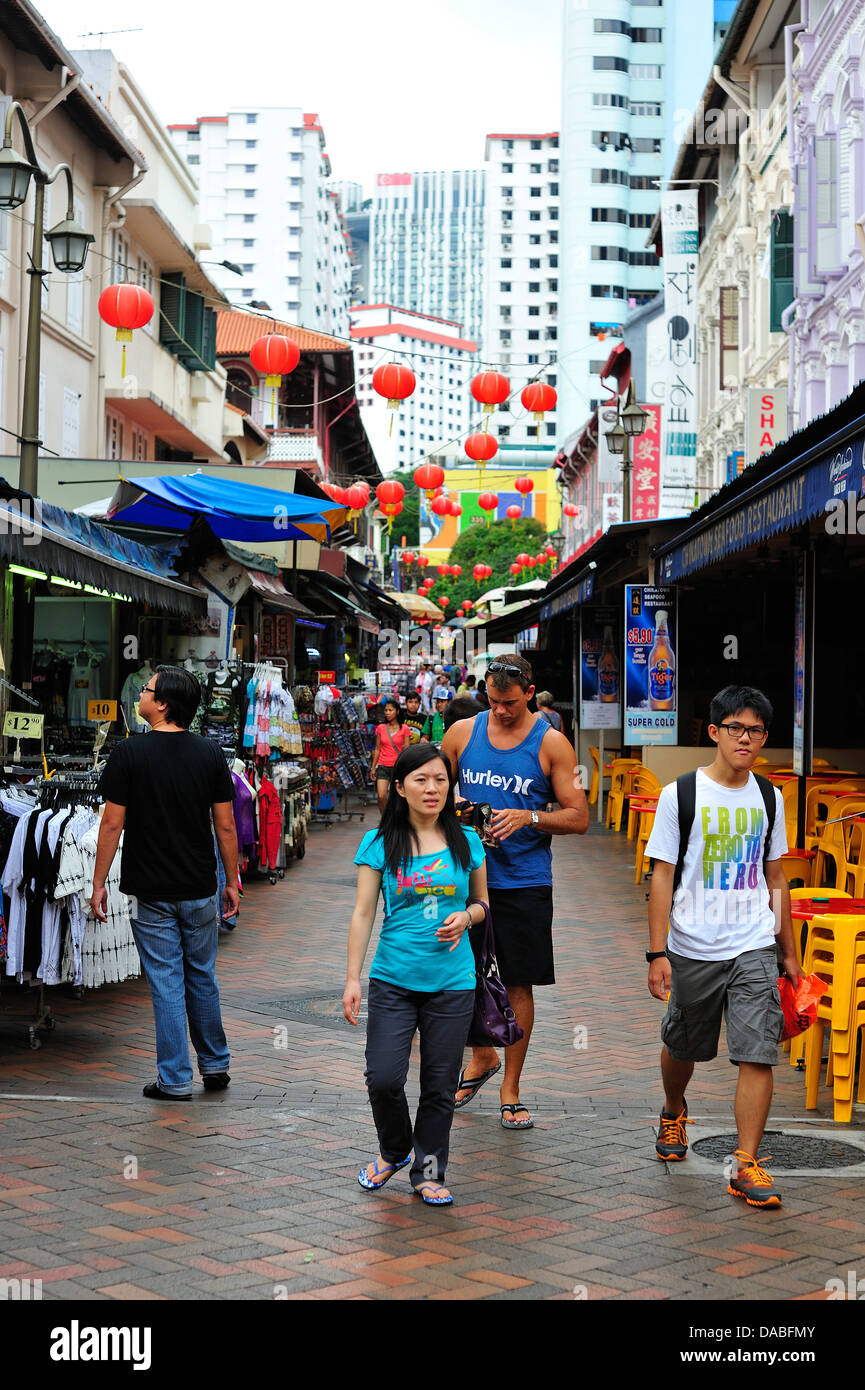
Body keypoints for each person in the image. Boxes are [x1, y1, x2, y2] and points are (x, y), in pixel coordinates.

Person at [645, 685, 802, 1209]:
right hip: (692, 944)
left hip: (753, 942)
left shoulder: (769, 796)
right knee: (683, 1044)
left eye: (755, 730)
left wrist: (789, 950)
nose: (745, 738)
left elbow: (776, 876)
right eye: (735, 728)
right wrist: (657, 951)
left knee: (757, 1052)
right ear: (714, 732)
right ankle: (672, 1111)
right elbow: (662, 875)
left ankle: (745, 1162)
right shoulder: (681, 794)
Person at [441, 653, 588, 1129]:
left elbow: (580, 816)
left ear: (529, 692)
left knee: (518, 980)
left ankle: (511, 1088)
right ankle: (483, 1056)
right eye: (492, 700)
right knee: (464, 974)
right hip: (464, 878)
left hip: (523, 879)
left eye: (509, 702)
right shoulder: (463, 733)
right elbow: (428, 787)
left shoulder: (552, 744)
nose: (500, 710)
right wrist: (453, 804)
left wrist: (531, 817)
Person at [343, 741, 488, 1205]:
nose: (432, 788)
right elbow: (364, 914)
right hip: (394, 980)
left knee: (440, 1084)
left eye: (441, 779)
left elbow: (483, 904)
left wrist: (467, 918)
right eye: (421, 780)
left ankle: (428, 1172)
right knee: (383, 1077)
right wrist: (352, 979)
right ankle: (394, 1149)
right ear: (400, 787)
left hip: (453, 982)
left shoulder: (467, 841)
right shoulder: (381, 842)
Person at [90, 665, 238, 1101]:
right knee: (202, 975)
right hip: (198, 885)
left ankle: (174, 1079)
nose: (141, 693)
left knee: (166, 980)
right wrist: (231, 881)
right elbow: (225, 827)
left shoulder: (128, 754)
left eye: (147, 689)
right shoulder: (210, 754)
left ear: (162, 703)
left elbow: (111, 825)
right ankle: (215, 1064)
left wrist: (98, 882)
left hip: (151, 889)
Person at [371, 698, 412, 814]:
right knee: (381, 796)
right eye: (386, 710)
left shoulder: (404, 729)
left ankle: (396, 820)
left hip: (397, 767)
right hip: (383, 765)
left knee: (398, 797)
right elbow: (377, 749)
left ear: (397, 711)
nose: (387, 713)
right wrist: (373, 767)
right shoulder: (380, 728)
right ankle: (385, 819)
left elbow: (407, 751)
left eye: (390, 710)